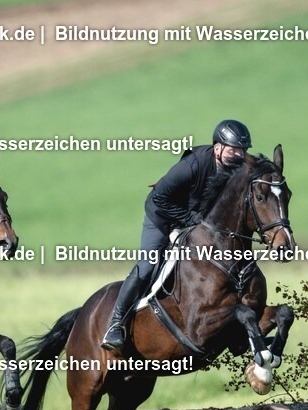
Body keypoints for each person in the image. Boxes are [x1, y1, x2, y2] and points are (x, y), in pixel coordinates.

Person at [100, 119, 253, 352]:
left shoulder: (237, 170)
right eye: (233, 150)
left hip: (197, 222)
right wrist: (189, 218)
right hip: (162, 218)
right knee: (148, 266)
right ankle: (116, 323)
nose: (239, 155)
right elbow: (159, 199)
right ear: (218, 148)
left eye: (243, 150)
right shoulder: (192, 166)